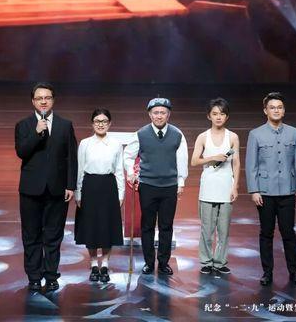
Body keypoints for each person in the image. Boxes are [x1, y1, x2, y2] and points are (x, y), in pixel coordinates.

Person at [15, 82, 77, 292]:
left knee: (53, 236)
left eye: (47, 98)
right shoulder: (23, 125)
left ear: (53, 100)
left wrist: (70, 185)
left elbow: (71, 157)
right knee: (31, 235)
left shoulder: (65, 125)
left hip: (57, 189)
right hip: (30, 190)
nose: (43, 101)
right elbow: (22, 152)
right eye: (39, 98)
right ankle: (34, 276)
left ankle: (51, 275)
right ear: (33, 101)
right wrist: (36, 132)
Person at [245, 92, 296, 286]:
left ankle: (294, 272)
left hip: (288, 191)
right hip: (265, 192)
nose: (276, 110)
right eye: (272, 107)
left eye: (279, 107)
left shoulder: (293, 133)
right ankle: (267, 272)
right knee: (266, 233)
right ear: (265, 111)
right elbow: (251, 165)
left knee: (288, 233)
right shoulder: (256, 134)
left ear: (284, 111)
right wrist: (254, 190)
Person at [124, 98, 188, 276]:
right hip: (148, 186)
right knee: (148, 226)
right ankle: (149, 262)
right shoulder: (141, 134)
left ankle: (164, 263)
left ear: (168, 114)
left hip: (169, 186)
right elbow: (128, 155)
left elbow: (182, 160)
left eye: (163, 112)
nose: (159, 116)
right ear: (150, 114)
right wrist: (131, 171)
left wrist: (181, 182)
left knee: (166, 226)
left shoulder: (177, 134)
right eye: (156, 112)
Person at [191, 98, 240, 276]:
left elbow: (236, 163)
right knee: (207, 229)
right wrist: (213, 158)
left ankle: (220, 262)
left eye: (222, 114)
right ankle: (206, 261)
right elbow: (194, 161)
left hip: (226, 187)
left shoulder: (232, 137)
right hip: (208, 188)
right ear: (209, 116)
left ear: (227, 117)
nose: (218, 117)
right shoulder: (203, 137)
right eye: (215, 114)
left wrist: (235, 187)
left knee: (224, 230)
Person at [74, 109, 124, 283]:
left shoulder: (116, 144)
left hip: (109, 186)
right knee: (91, 226)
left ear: (109, 124)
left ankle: (105, 265)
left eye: (104, 121)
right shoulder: (85, 143)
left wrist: (121, 193)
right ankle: (94, 264)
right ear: (92, 123)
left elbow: (119, 170)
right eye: (97, 121)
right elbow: (80, 169)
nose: (100, 124)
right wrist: (78, 192)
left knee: (107, 227)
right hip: (89, 186)